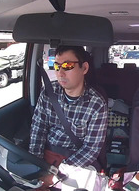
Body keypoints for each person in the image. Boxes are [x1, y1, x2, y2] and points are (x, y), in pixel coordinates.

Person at [29, 45, 108, 185]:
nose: (60, 73)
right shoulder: (49, 92)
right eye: (57, 66)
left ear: (84, 68)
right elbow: (38, 129)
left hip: (77, 161)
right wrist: (35, 165)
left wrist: (59, 173)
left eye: (67, 66)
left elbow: (91, 149)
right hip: (47, 155)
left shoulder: (97, 104)